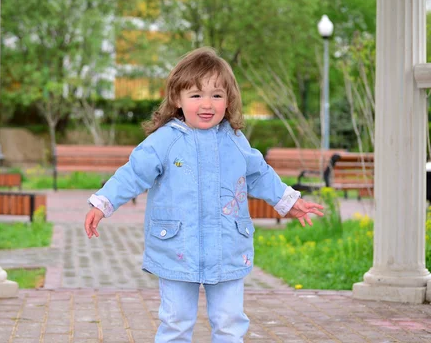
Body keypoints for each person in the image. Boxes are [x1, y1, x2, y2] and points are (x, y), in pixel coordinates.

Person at [84, 47, 324, 343]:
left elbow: (259, 174)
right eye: (196, 95)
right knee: (176, 323)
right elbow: (133, 174)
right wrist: (102, 203)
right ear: (177, 99)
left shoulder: (235, 141)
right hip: (177, 248)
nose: (207, 104)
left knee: (229, 323)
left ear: (229, 100)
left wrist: (289, 202)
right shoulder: (165, 142)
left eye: (216, 95)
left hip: (227, 248)